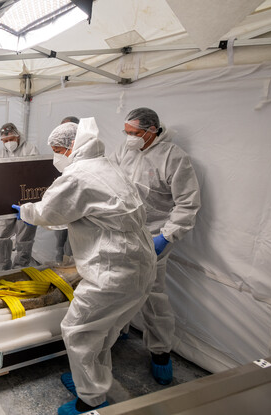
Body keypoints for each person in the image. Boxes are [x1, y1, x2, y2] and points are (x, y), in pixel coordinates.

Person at [13, 119, 156, 414]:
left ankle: (89, 402)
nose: (56, 157)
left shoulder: (78, 174)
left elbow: (49, 211)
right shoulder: (106, 164)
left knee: (78, 330)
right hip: (141, 262)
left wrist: (25, 211)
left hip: (113, 269)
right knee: (103, 331)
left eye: (56, 150)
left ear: (69, 148)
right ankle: (92, 381)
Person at [110, 107, 201, 385]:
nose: (130, 139)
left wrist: (167, 236)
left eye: (135, 134)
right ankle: (120, 330)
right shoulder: (125, 151)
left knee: (153, 296)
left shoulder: (174, 158)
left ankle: (160, 352)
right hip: (123, 231)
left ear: (153, 131)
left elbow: (187, 203)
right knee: (117, 285)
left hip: (153, 236)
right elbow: (107, 176)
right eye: (127, 133)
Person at [0, 122, 40, 270]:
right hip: (6, 200)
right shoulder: (0, 154)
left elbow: (35, 172)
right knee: (1, 236)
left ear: (18, 137)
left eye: (10, 139)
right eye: (5, 141)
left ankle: (21, 269)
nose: (8, 143)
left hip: (26, 200)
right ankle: (1, 269)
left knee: (24, 238)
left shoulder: (30, 149)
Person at [54, 116, 80, 262]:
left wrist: (31, 213)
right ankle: (59, 266)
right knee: (59, 241)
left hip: (76, 213)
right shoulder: (61, 155)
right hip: (61, 207)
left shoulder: (86, 161)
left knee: (72, 246)